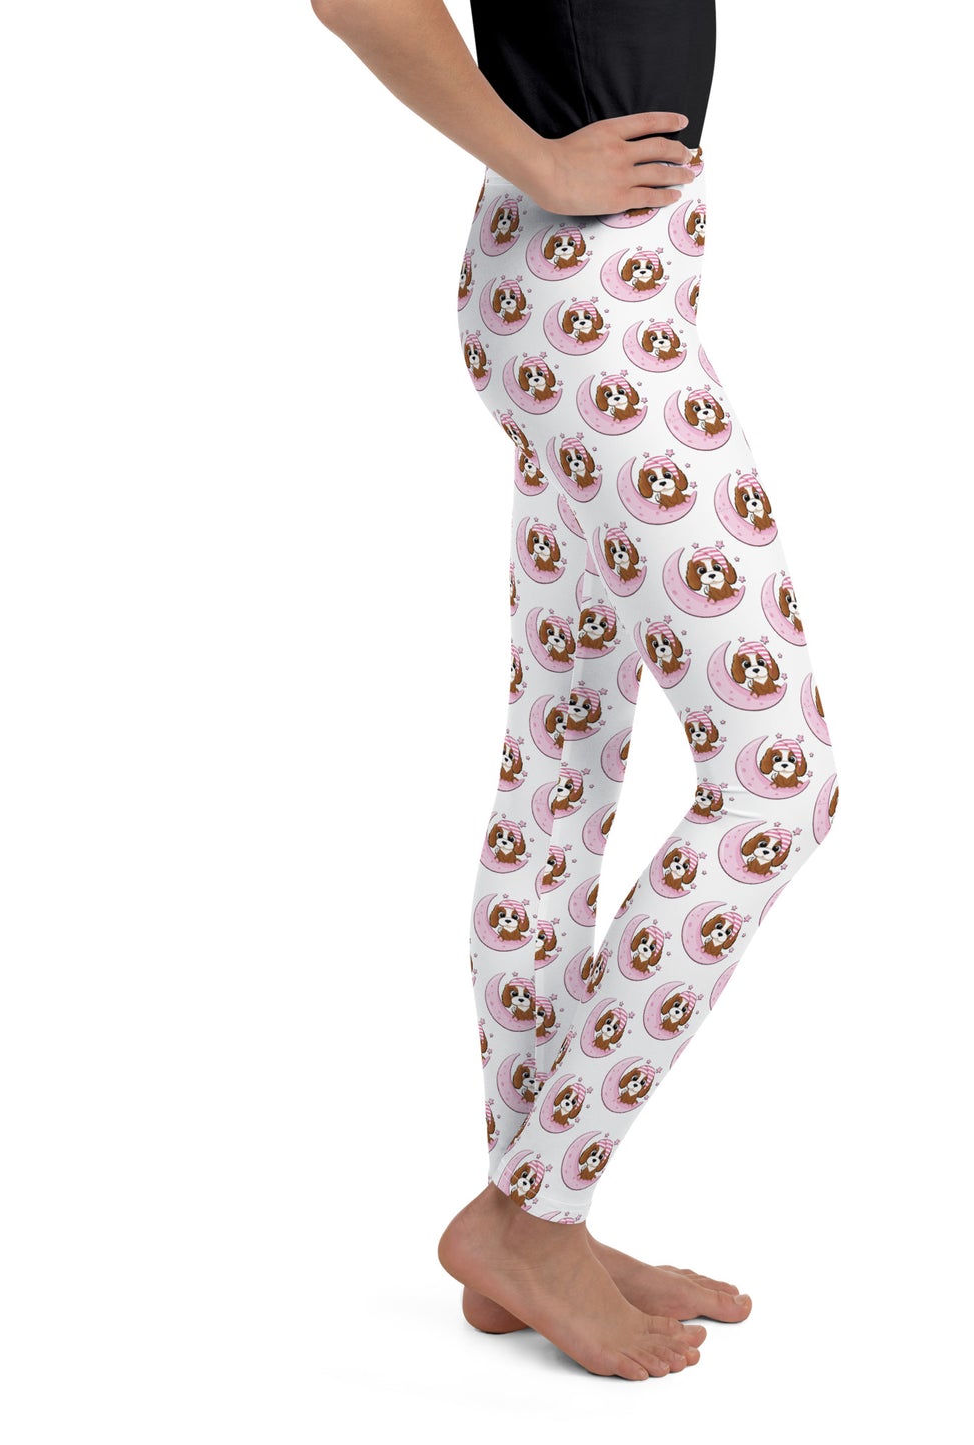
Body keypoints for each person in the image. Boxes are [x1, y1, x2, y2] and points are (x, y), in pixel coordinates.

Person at [312, 0, 839, 1381]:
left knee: (561, 764)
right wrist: (541, 159)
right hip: (587, 297)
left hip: (593, 280)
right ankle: (532, 1218)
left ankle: (534, 1223)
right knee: (777, 783)